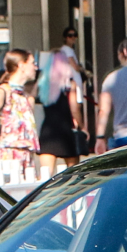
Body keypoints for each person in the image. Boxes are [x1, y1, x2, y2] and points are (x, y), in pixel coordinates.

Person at [0, 48, 40, 177]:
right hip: (6, 163)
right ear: (21, 65)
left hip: (27, 164)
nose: (35, 67)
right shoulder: (1, 93)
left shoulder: (26, 98)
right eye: (32, 63)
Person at [37, 27, 91, 171]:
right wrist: (82, 126)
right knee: (73, 175)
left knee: (45, 176)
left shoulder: (43, 85)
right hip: (66, 130)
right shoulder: (69, 85)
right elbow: (75, 109)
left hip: (48, 131)